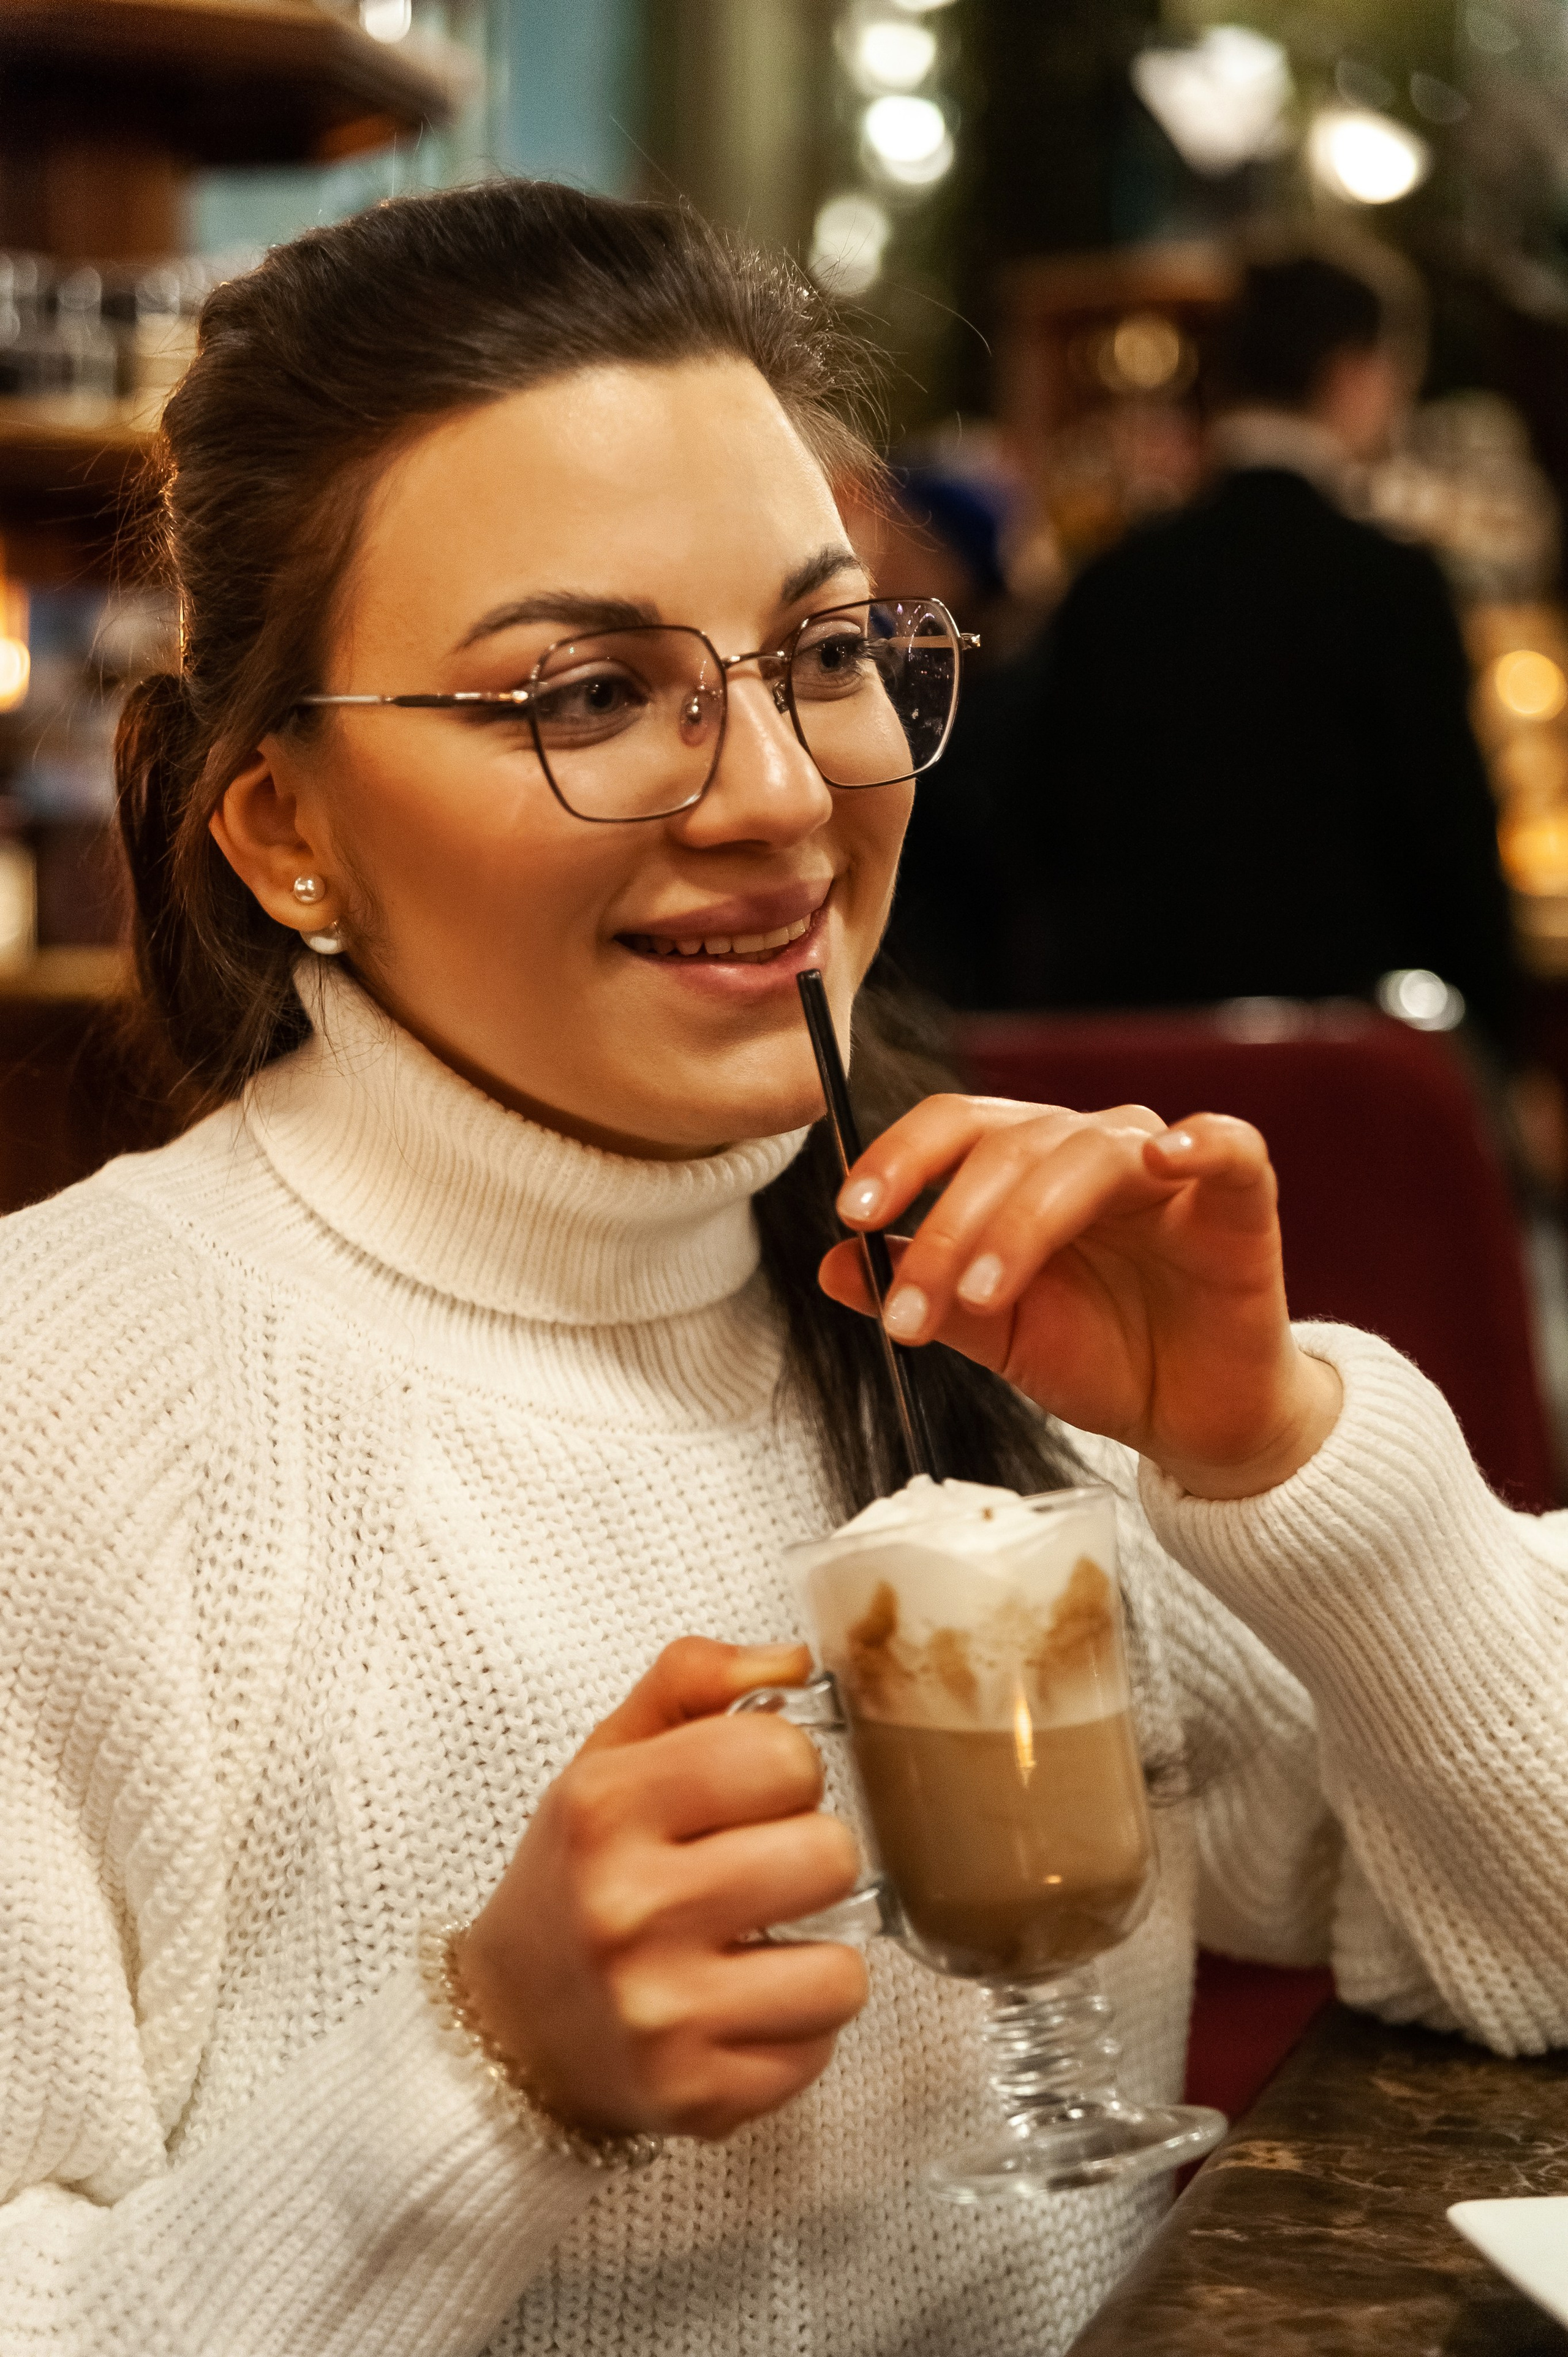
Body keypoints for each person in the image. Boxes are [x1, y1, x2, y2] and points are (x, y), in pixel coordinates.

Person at [0, 181, 1565, 2357]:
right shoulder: (66, 1408)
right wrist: (480, 2077)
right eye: (587, 690)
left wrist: (1280, 1451)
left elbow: (1533, 1945)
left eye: (825, 656)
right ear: (284, 830)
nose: (777, 795)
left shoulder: (963, 1308)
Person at [1000, 244, 1520, 1059]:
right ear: (1355, 372)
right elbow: (1448, 841)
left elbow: (1045, 824)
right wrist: (1504, 1048)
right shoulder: (1389, 583)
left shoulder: (1115, 579)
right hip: (1339, 1051)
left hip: (1136, 1049)